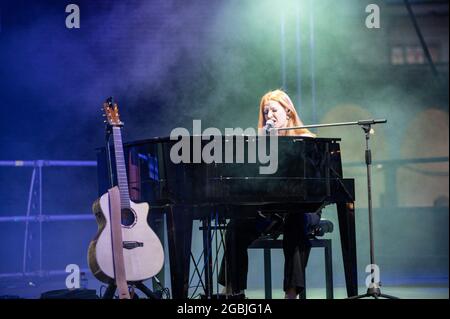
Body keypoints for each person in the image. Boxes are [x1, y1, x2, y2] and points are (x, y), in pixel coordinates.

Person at [218, 89, 321, 299]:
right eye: (266, 112)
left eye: (274, 110)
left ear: (288, 112)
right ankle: (234, 289)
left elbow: (317, 185)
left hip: (304, 209)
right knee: (235, 227)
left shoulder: (307, 140)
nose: (269, 116)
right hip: (269, 211)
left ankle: (291, 293)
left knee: (296, 220)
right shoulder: (260, 144)